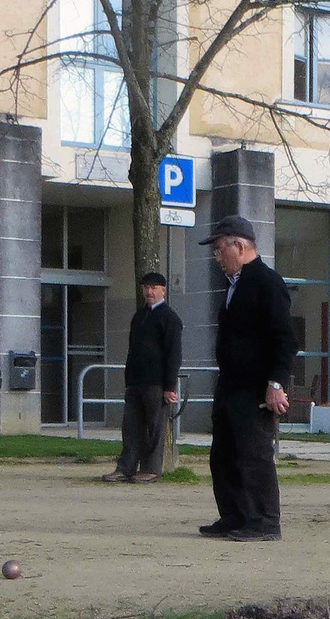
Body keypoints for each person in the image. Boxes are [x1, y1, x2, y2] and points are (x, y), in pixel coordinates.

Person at [196, 216, 297, 542]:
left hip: (255, 385)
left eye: (219, 249)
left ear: (238, 246)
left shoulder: (267, 283)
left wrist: (276, 383)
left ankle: (264, 521)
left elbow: (285, 339)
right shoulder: (234, 285)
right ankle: (235, 515)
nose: (216, 257)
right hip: (230, 383)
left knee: (253, 454)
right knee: (224, 454)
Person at [103, 272, 183, 483]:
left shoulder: (170, 318)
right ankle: (126, 467)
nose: (149, 291)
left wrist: (169, 386)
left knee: (155, 427)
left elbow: (174, 354)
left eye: (154, 287)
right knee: (130, 426)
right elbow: (132, 350)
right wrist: (128, 378)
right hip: (136, 381)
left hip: (156, 383)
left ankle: (152, 468)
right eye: (146, 287)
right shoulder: (139, 317)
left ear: (163, 290)